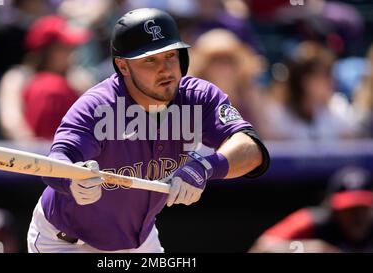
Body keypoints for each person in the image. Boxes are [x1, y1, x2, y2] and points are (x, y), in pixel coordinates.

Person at [27, 8, 270, 253]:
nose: (164, 69)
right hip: (66, 242)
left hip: (138, 239)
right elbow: (58, 158)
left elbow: (251, 149)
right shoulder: (98, 106)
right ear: (123, 66)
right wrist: (72, 179)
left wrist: (205, 167)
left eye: (170, 56)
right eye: (150, 60)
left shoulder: (198, 98)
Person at [249, 167, 373, 253]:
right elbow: (261, 247)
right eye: (349, 209)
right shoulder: (314, 221)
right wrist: (303, 248)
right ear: (333, 209)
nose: (357, 216)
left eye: (362, 208)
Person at [21, 15, 91, 140]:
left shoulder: (75, 80)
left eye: (72, 47)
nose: (72, 54)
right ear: (46, 51)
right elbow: (12, 121)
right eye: (64, 48)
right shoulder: (24, 78)